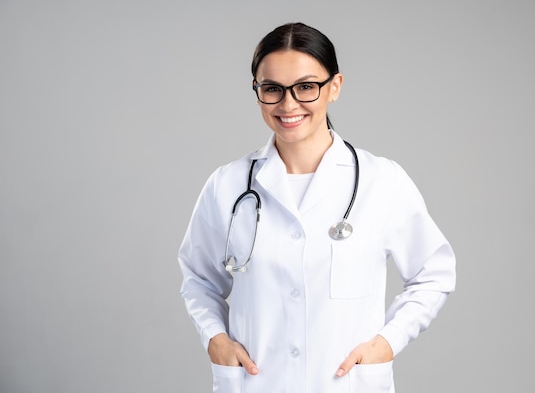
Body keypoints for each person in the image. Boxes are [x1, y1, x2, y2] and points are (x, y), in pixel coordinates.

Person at [178, 22, 456, 393]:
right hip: (257, 384)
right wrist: (215, 337)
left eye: (306, 87)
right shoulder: (227, 185)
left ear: (334, 87)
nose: (288, 104)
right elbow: (198, 278)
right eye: (272, 88)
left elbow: (434, 274)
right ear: (257, 91)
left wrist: (388, 342)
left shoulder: (382, 181)